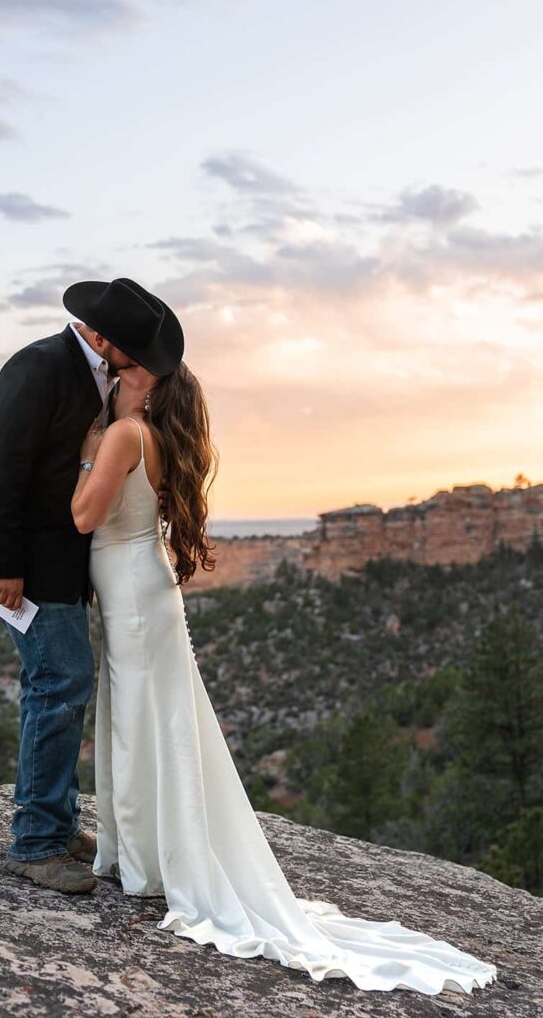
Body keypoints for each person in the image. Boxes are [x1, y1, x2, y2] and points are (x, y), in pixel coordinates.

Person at [67, 278, 497, 996]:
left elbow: (83, 516)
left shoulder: (122, 436)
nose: (110, 377)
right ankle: (149, 854)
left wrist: (84, 448)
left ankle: (147, 863)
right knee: (156, 716)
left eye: (119, 370)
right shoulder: (164, 437)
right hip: (145, 586)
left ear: (140, 380)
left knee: (139, 719)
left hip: (133, 595)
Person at [0, 277, 176, 893]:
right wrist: (4, 565)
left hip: (64, 565)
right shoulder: (39, 364)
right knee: (60, 680)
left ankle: (58, 821)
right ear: (104, 337)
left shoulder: (100, 378)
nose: (144, 361)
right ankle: (36, 843)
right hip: (28, 566)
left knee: (63, 683)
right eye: (136, 348)